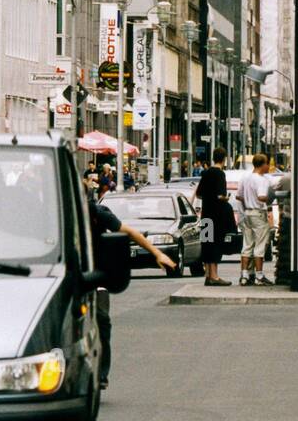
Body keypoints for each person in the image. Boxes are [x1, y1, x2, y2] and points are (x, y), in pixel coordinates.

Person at [84, 175, 175, 389]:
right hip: (67, 274)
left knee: (102, 321)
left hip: (96, 275)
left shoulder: (98, 214)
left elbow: (130, 232)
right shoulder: (57, 214)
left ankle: (101, 374)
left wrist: (157, 254)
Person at [195, 147, 235, 286]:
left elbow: (199, 194)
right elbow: (220, 195)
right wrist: (225, 198)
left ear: (213, 157)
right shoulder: (220, 174)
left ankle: (207, 275)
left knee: (206, 243)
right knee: (216, 244)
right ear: (224, 159)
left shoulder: (205, 173)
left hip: (205, 214)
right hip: (216, 215)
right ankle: (215, 276)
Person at [237, 153, 274, 285]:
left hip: (246, 213)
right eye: (267, 164)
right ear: (262, 165)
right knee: (260, 245)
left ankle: (244, 275)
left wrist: (248, 200)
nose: (268, 167)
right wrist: (272, 197)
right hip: (258, 213)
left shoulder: (246, 178)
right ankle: (259, 275)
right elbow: (261, 197)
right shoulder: (262, 180)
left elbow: (238, 196)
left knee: (247, 245)